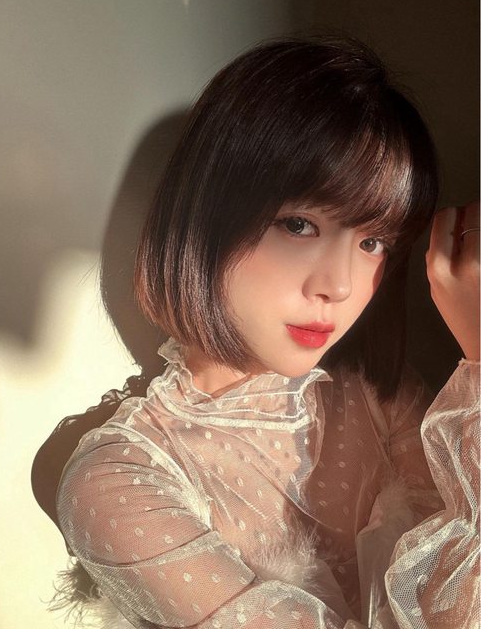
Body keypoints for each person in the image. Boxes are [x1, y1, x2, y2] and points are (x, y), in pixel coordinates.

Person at [50, 37, 479, 628]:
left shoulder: (378, 397)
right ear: (204, 214)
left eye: (373, 241)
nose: (339, 285)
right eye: (298, 224)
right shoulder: (121, 479)